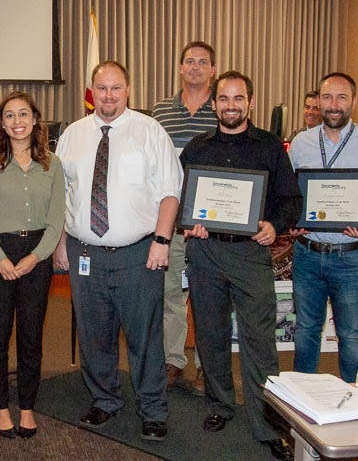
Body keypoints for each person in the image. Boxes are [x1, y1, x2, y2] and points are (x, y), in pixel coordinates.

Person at [55, 61, 183, 442]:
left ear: (128, 89)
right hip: (84, 252)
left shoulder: (150, 131)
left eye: (116, 88)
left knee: (144, 336)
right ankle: (104, 400)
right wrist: (61, 243)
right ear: (91, 91)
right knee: (94, 335)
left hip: (138, 254)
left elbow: (170, 191)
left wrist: (162, 241)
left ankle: (153, 410)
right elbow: (60, 195)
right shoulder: (72, 135)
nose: (108, 96)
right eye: (101, 88)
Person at [181, 71, 302, 461]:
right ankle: (219, 404)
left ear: (250, 102)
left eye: (239, 98)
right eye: (224, 98)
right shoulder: (197, 148)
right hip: (206, 252)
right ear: (213, 103)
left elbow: (290, 199)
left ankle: (267, 422)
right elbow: (181, 197)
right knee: (211, 335)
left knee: (259, 340)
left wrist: (274, 225)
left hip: (250, 254)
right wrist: (190, 223)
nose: (231, 105)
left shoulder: (269, 147)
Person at [0, 91, 64, 439]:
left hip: (36, 255)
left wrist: (34, 257)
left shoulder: (51, 164)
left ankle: (27, 406)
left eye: (23, 114)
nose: (17, 122)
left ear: (35, 119)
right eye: (9, 115)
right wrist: (0, 258)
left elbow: (56, 219)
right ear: (0, 122)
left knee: (31, 336)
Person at [153, 41, 217, 392]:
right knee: (171, 293)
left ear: (212, 69)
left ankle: (208, 367)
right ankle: (173, 360)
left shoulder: (222, 109)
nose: (195, 67)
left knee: (209, 297)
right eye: (189, 61)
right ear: (180, 68)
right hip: (173, 220)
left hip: (209, 224)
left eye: (202, 62)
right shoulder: (161, 111)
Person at [289, 73, 358, 384]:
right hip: (307, 254)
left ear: (353, 103)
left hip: (351, 257)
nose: (333, 105)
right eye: (327, 97)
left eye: (342, 98)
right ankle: (304, 400)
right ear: (318, 100)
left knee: (351, 333)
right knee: (305, 330)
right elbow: (288, 193)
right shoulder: (300, 143)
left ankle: (351, 398)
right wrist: (292, 221)